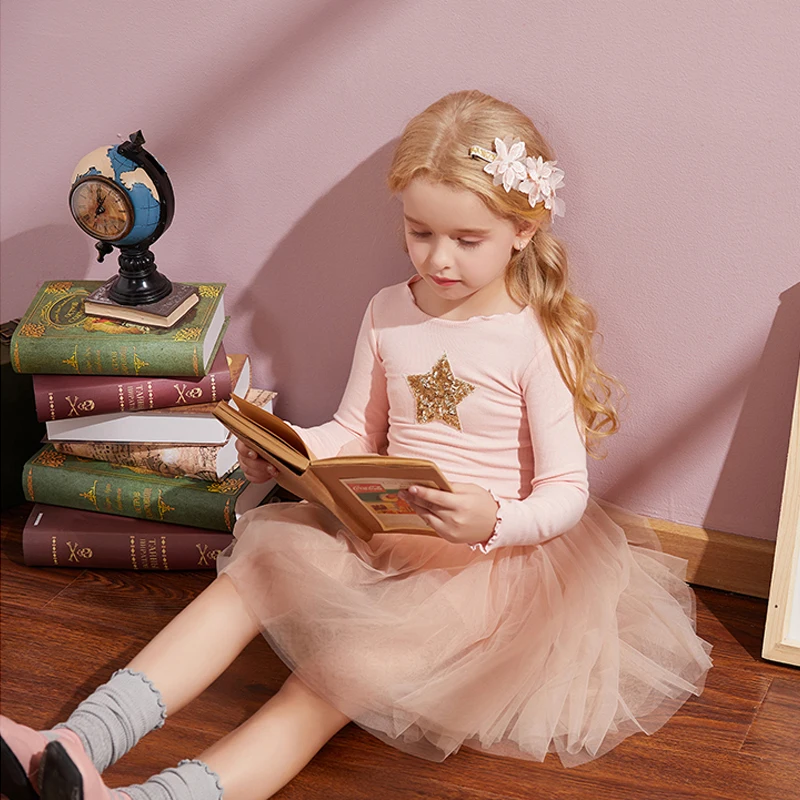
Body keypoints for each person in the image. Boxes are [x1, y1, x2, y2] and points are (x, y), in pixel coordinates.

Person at [0, 90, 713, 800]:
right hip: (377, 524)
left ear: (523, 230)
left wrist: (492, 519)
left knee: (326, 685)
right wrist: (283, 449)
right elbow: (352, 432)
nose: (439, 259)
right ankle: (76, 740)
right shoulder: (388, 309)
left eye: (467, 241)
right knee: (246, 577)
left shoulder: (533, 338)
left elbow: (566, 491)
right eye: (420, 232)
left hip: (484, 570)